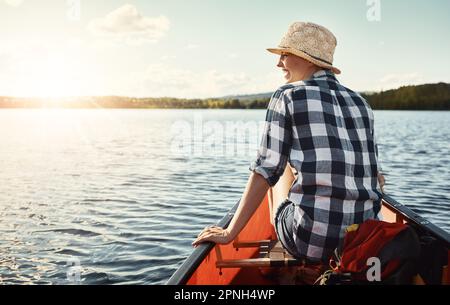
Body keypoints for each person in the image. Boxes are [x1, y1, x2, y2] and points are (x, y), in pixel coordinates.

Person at [192, 22, 385, 263]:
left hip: (313, 243)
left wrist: (230, 232)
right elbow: (378, 177)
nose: (279, 62)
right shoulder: (361, 103)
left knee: (280, 167)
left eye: (284, 54)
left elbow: (265, 170)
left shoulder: (287, 95)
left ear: (307, 59)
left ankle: (279, 244)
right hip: (365, 239)